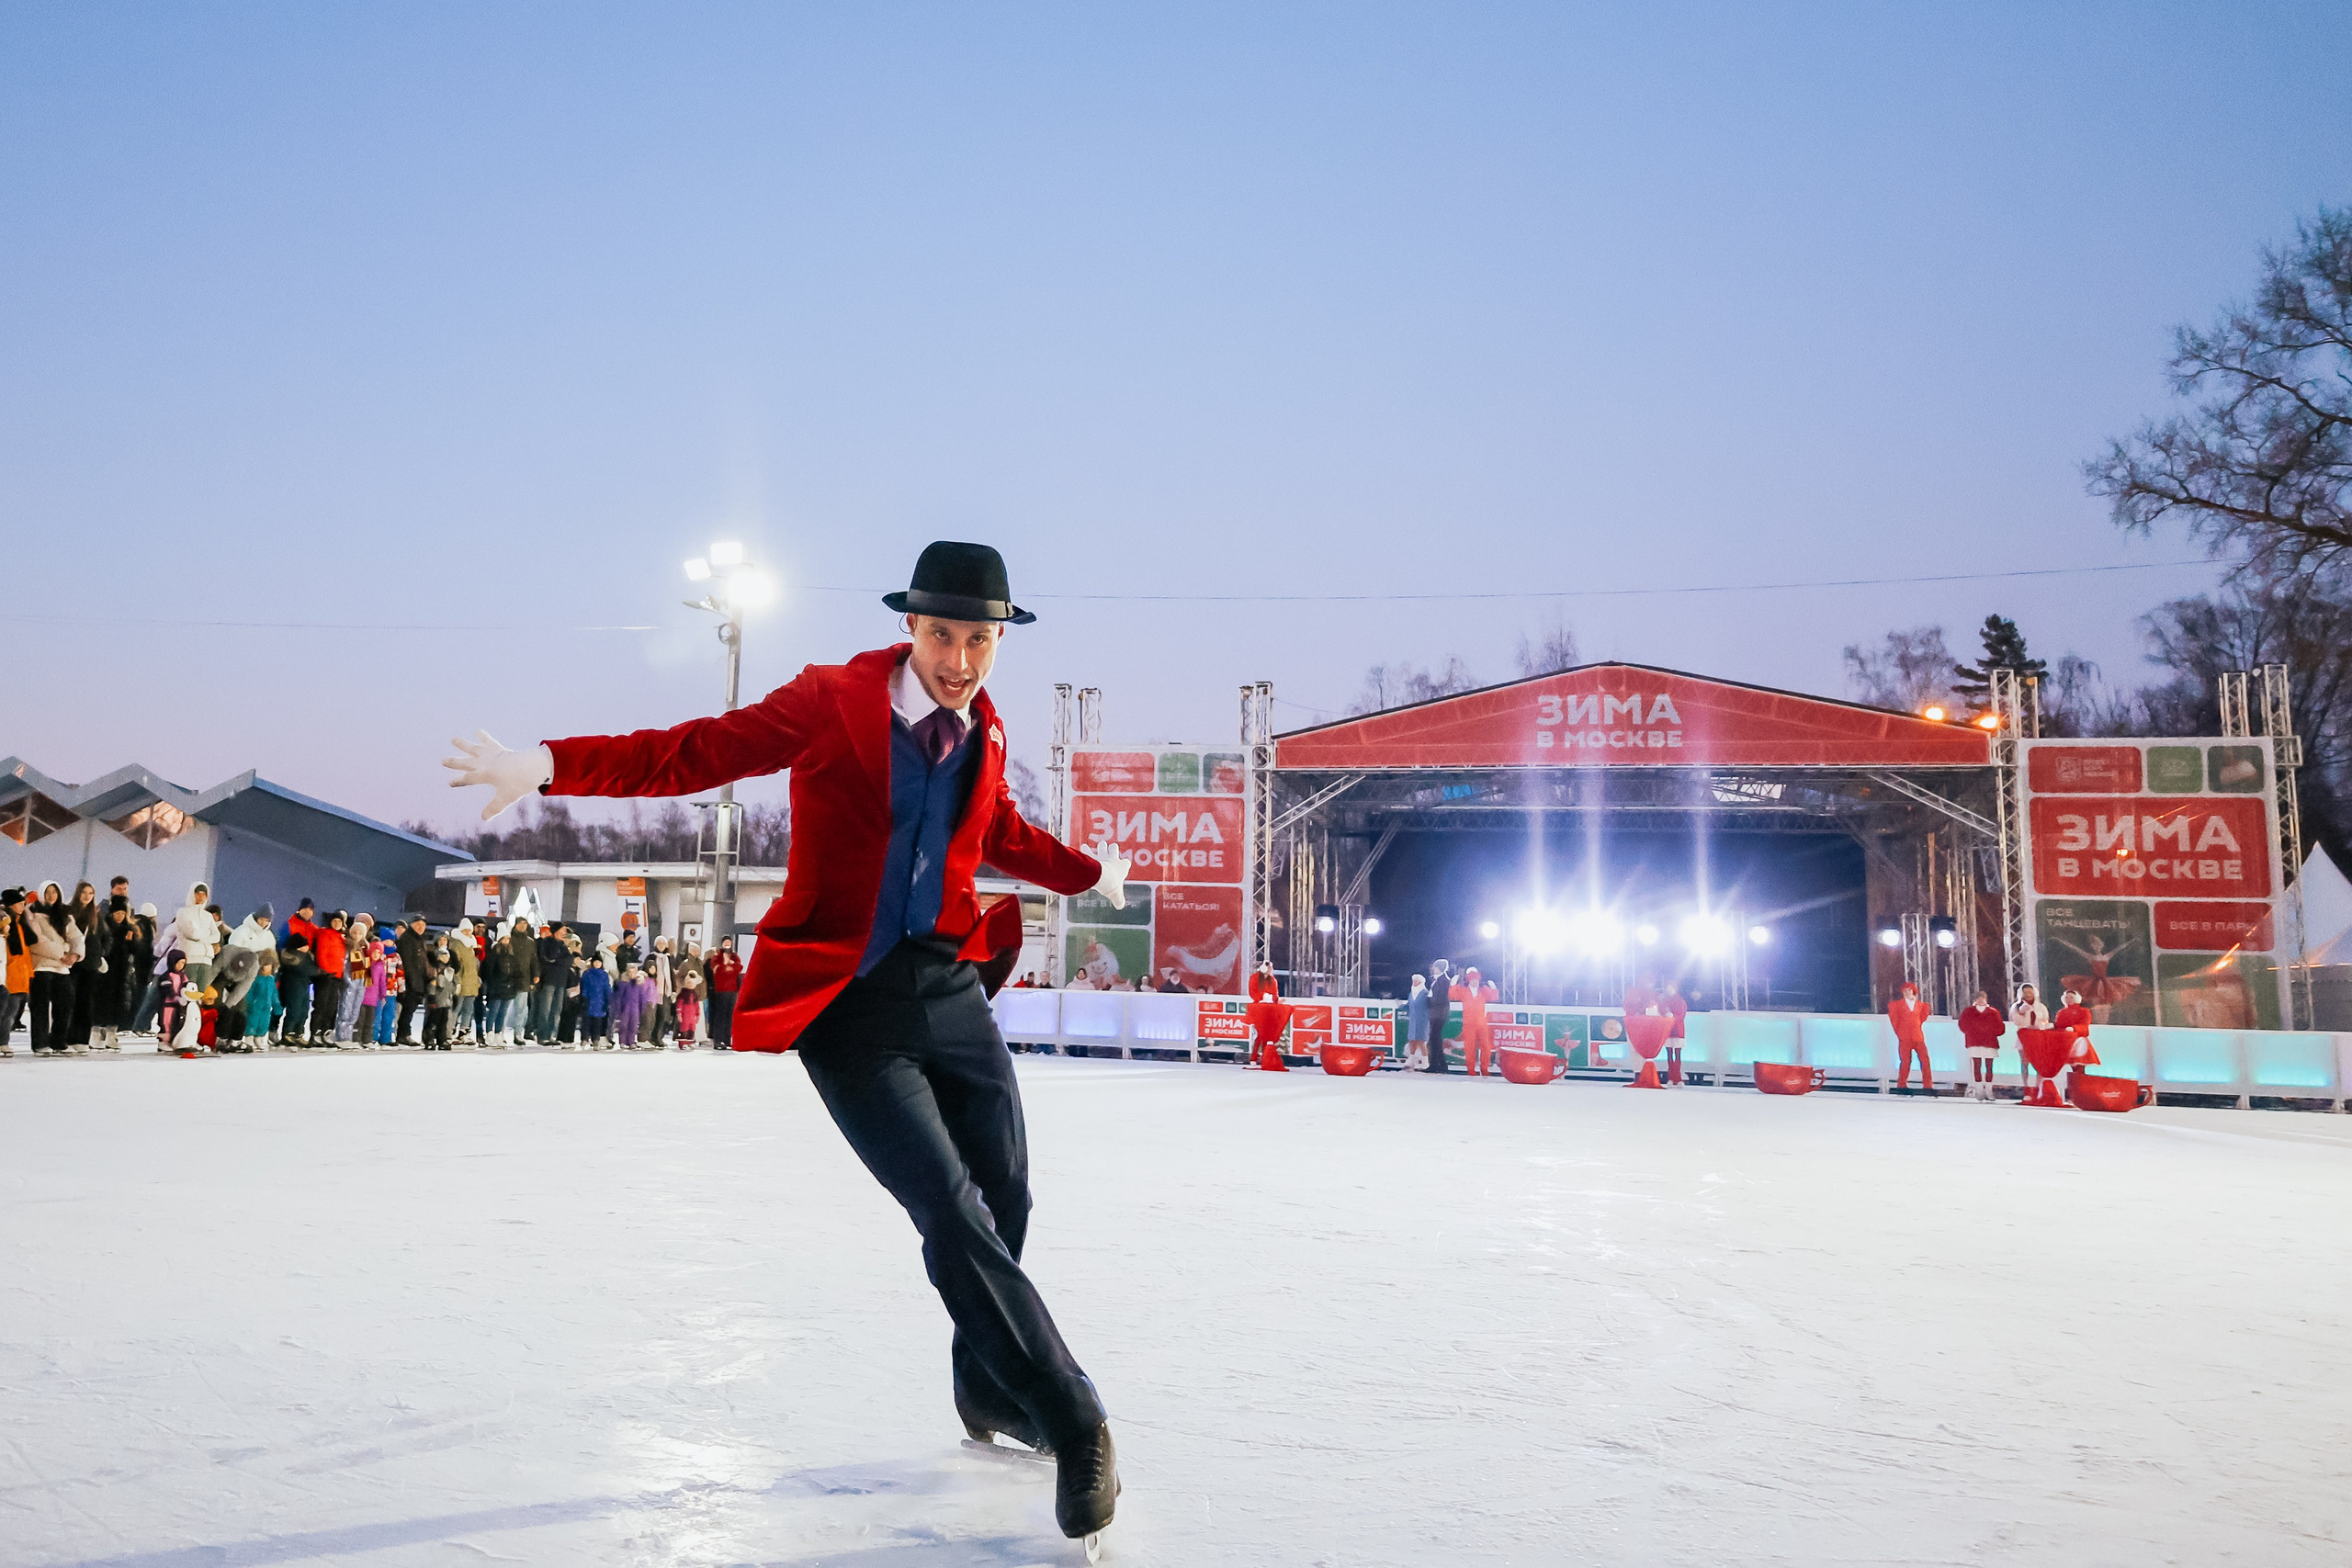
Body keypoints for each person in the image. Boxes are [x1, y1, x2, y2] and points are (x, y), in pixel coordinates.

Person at [440, 539, 1131, 1547]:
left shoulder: (980, 725)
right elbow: (691, 751)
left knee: (1007, 1195)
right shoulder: (830, 703)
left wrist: (1085, 874)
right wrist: (548, 762)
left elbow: (1002, 835)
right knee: (946, 1206)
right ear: (909, 629)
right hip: (848, 1004)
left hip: (948, 986)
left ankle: (987, 1392)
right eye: (944, 635)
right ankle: (1073, 1416)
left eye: (980, 639)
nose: (962, 658)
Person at [26, 885, 84, 1055]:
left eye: (55, 892)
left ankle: (59, 1041)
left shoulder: (65, 914)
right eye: (48, 892)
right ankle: (40, 1043)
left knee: (65, 1004)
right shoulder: (32, 913)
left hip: (62, 968)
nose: (51, 896)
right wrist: (61, 954)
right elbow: (37, 940)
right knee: (40, 1007)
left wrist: (75, 954)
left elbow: (76, 935)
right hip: (41, 966)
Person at [169, 883, 222, 990]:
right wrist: (207, 932)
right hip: (190, 958)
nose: (201, 897)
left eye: (204, 894)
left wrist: (201, 935)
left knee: (201, 994)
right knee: (188, 991)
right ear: (192, 894)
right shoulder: (183, 912)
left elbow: (217, 936)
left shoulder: (207, 915)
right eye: (198, 894)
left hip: (206, 960)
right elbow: (192, 933)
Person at [1888, 979, 1935, 1096]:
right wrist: (1900, 1033)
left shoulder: (1920, 1005)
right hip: (1905, 1037)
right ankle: (1902, 1084)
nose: (1907, 993)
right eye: (1905, 991)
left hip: (1918, 1037)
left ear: (1913, 992)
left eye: (1909, 991)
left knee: (1925, 1061)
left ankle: (1928, 1085)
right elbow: (1894, 1020)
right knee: (1905, 1062)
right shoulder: (1898, 1005)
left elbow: (1922, 1017)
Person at [1957, 988, 2005, 1101]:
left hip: (1989, 1042)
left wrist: (1992, 1032)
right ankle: (1979, 1091)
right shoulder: (1969, 1011)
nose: (1981, 1000)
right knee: (1977, 1066)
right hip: (1975, 1042)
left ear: (1986, 999)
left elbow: (2000, 1027)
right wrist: (1971, 1032)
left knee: (1989, 1067)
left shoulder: (1993, 1012)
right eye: (1979, 998)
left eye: (1983, 998)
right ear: (1975, 1000)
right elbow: (1963, 1024)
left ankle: (1989, 1090)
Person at [311, 912, 350, 1043]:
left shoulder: (341, 937)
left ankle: (327, 1030)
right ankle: (316, 1032)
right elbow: (321, 954)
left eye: (339, 921)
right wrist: (325, 971)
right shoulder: (324, 934)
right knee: (321, 1004)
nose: (337, 923)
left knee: (332, 1006)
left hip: (337, 977)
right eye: (334, 921)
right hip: (326, 976)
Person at [2052, 987, 2099, 1099]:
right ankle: (2070, 1091)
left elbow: (2085, 1026)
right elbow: (2058, 1025)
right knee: (2066, 1066)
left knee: (2079, 1066)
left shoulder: (2084, 1011)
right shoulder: (2061, 1012)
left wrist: (2074, 1028)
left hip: (2078, 1040)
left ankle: (2080, 1090)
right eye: (2067, 997)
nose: (2069, 999)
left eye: (2071, 997)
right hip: (2065, 1041)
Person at [394, 916, 434, 1044]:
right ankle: (403, 1034)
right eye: (418, 924)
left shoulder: (419, 940)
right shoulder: (407, 939)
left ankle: (405, 1033)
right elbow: (408, 962)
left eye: (423, 925)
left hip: (418, 981)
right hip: (411, 981)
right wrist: (411, 980)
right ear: (411, 925)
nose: (421, 927)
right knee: (407, 1008)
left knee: (411, 1008)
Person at [1244, 962, 1290, 1071]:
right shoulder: (1254, 978)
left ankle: (1264, 1058)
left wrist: (1276, 1000)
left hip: (1270, 1009)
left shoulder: (1272, 980)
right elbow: (1252, 992)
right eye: (1269, 968)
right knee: (1261, 1034)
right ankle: (1254, 1058)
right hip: (1259, 1009)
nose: (1271, 970)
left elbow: (1275, 994)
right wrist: (1262, 998)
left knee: (1267, 1035)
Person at [532, 923, 572, 1043]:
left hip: (561, 981)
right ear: (555, 931)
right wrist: (558, 957)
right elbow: (549, 956)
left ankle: (552, 1035)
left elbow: (569, 960)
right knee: (546, 1009)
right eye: (562, 930)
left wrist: (557, 960)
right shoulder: (547, 942)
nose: (564, 933)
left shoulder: (563, 946)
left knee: (556, 1010)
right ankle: (542, 1035)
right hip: (549, 980)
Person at [1457, 964, 1499, 1077]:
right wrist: (1452, 985)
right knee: (1469, 1048)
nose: (1474, 981)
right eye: (1472, 979)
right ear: (1469, 980)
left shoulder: (1483, 991)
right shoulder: (1464, 991)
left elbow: (1493, 997)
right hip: (1469, 1024)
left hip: (1481, 1024)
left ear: (1479, 979)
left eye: (1476, 979)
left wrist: (1494, 988)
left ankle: (1484, 1068)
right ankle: (1471, 1069)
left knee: (1486, 1047)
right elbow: (1452, 994)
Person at [447, 919, 482, 1042]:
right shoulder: (456, 944)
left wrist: (476, 980)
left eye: (469, 930)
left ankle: (464, 1030)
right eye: (465, 930)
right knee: (456, 1008)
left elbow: (473, 965)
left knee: (469, 1009)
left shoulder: (471, 944)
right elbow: (457, 965)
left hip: (471, 982)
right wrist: (457, 982)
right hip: (461, 983)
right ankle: (450, 1030)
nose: (467, 932)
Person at [707, 937, 743, 1044]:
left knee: (729, 1015)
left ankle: (727, 1039)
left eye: (729, 942)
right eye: (725, 942)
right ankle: (718, 1040)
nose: (727, 944)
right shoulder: (717, 956)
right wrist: (725, 966)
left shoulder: (734, 956)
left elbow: (738, 968)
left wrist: (730, 963)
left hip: (732, 990)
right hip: (721, 989)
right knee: (720, 1015)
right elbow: (716, 970)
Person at [424, 940, 458, 1049]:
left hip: (447, 1001)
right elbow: (432, 984)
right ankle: (429, 1039)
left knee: (444, 1022)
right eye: (442, 956)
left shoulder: (451, 971)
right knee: (433, 1021)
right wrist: (431, 996)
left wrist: (455, 996)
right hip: (437, 1001)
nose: (445, 958)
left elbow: (454, 985)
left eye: (446, 956)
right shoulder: (436, 970)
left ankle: (442, 1040)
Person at [614, 960, 656, 1048]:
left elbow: (642, 997)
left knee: (634, 1025)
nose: (632, 974)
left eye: (634, 972)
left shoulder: (639, 984)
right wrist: (619, 1007)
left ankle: (631, 1041)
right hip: (625, 1007)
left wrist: (642, 1007)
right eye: (630, 971)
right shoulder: (624, 983)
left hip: (635, 1007)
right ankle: (623, 1041)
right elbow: (619, 996)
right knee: (624, 1024)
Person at [1424, 960, 1454, 1073]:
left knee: (1434, 1038)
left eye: (1436, 967)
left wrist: (1430, 1000)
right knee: (1435, 1039)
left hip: (1440, 1013)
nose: (1433, 968)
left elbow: (1442, 998)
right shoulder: (1435, 979)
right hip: (1435, 1012)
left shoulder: (1444, 981)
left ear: (1440, 968)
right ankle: (1441, 1064)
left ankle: (1436, 1065)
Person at [579, 953, 612, 1046]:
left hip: (600, 1001)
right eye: (595, 962)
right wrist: (584, 998)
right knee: (587, 1021)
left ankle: (596, 1039)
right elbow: (584, 986)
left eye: (599, 962)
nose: (597, 964)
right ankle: (585, 1038)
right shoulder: (587, 973)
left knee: (598, 1022)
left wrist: (608, 999)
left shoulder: (604, 975)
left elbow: (607, 987)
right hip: (589, 1000)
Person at [1662, 979, 1689, 1086]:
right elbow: (1662, 1011)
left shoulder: (1681, 1001)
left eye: (1671, 987)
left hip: (1677, 1030)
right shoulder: (1665, 1001)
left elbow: (1681, 1015)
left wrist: (1673, 1017)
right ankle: (1671, 1077)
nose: (1669, 989)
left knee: (1677, 1055)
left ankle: (1678, 1078)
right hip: (1668, 1030)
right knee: (1669, 1055)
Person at [1404, 974, 1430, 1069]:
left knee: (1421, 1041)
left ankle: (1425, 1063)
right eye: (1413, 981)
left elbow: (1429, 1006)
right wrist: (1401, 1005)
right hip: (1413, 1020)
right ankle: (1411, 1061)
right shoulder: (1411, 993)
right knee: (1412, 1041)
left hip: (1422, 1021)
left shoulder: (1425, 993)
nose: (1414, 983)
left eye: (1416, 981)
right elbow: (1409, 1005)